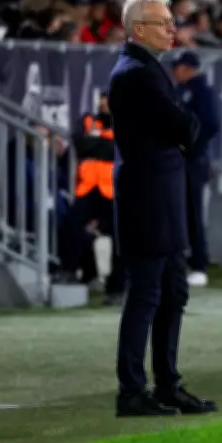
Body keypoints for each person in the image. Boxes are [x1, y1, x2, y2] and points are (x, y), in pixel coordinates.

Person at [109, 0, 217, 417]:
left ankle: (167, 384)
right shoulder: (135, 73)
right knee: (148, 294)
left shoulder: (146, 70)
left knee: (172, 292)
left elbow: (184, 128)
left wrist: (185, 128)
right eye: (163, 23)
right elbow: (185, 126)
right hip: (148, 199)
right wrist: (186, 127)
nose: (173, 29)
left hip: (162, 198)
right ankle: (132, 391)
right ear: (138, 29)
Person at [59, 92, 125, 302]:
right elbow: (80, 144)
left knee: (120, 239)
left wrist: (96, 145)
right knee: (70, 224)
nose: (104, 106)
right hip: (88, 188)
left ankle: (116, 289)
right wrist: (104, 146)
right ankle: (69, 270)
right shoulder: (87, 120)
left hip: (115, 190)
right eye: (102, 102)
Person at [171, 51, 221, 288]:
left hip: (193, 160)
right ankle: (179, 261)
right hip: (175, 160)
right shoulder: (177, 91)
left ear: (189, 69)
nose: (175, 72)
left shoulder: (203, 92)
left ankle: (199, 264)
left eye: (179, 67)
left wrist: (189, 145)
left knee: (193, 213)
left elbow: (211, 124)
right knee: (177, 213)